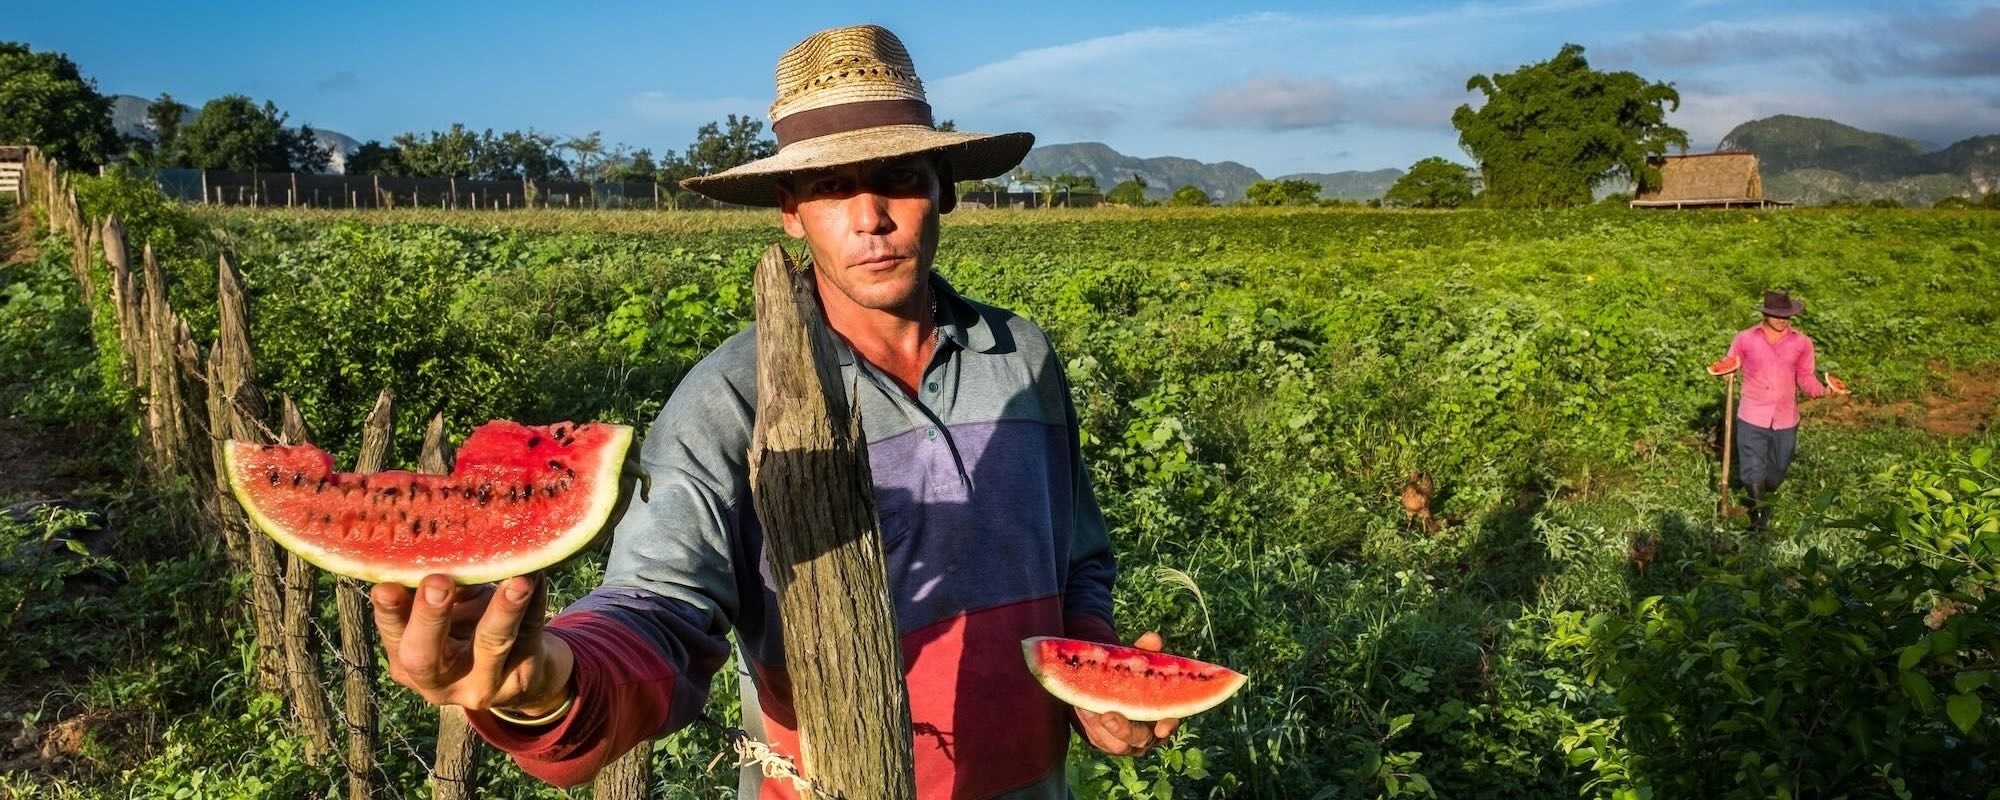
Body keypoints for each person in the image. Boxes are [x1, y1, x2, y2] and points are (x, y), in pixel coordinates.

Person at [368, 24, 1176, 798]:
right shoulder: (729, 396)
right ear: (790, 211)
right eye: (831, 188)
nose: (871, 218)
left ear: (945, 192)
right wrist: (546, 688)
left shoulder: (1024, 358)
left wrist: (1097, 670)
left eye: (900, 178)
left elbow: (1078, 560)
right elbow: (655, 603)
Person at [1715, 290, 1847, 531]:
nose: (1781, 320)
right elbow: (1730, 362)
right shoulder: (1745, 339)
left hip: (1786, 417)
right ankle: (1759, 522)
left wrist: (1822, 391)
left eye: (1786, 315)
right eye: (1776, 315)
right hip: (1752, 413)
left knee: (1777, 471)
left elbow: (1805, 376)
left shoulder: (1801, 343)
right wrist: (1727, 374)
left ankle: (1764, 500)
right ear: (1765, 313)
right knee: (1751, 470)